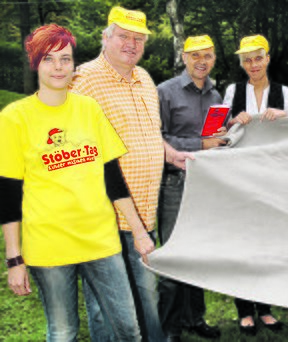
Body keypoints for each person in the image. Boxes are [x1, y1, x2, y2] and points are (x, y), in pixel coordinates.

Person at [0, 24, 149, 341]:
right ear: (35, 63)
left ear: (74, 64)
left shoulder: (89, 109)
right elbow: (8, 195)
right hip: (48, 246)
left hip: (101, 241)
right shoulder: (14, 118)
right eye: (48, 59)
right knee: (64, 332)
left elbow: (113, 178)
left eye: (65, 59)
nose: (58, 67)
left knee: (128, 330)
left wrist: (138, 232)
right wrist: (14, 259)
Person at [70, 6, 167, 342]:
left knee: (147, 295)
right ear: (105, 37)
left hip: (144, 214)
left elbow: (151, 137)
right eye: (123, 36)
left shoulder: (145, 79)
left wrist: (177, 155)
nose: (131, 44)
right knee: (107, 306)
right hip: (105, 219)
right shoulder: (82, 81)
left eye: (138, 38)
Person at [222, 34, 288, 335]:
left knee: (268, 244)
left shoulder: (285, 93)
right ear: (242, 64)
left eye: (258, 58)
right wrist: (231, 121)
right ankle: (244, 310)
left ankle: (265, 308)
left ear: (267, 59)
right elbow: (218, 132)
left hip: (273, 177)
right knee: (244, 243)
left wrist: (285, 116)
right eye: (247, 59)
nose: (253, 64)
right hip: (241, 177)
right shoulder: (231, 91)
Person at [156, 35, 225, 341]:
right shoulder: (165, 92)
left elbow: (215, 136)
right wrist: (201, 143)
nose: (201, 61)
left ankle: (194, 318)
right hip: (174, 184)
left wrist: (222, 137)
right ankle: (169, 328)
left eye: (207, 56)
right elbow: (157, 140)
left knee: (198, 254)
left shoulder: (215, 94)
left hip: (205, 186)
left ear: (214, 59)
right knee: (173, 255)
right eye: (195, 55)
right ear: (184, 58)